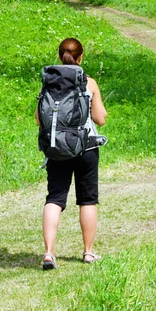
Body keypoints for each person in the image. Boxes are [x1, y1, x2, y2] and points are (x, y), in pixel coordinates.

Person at [35, 37, 107, 270]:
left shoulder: (49, 84)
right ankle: (88, 253)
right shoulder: (89, 83)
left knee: (55, 198)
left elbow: (39, 119)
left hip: (57, 148)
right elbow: (100, 119)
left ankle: (48, 254)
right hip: (86, 147)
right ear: (81, 57)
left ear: (59, 57)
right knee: (87, 199)